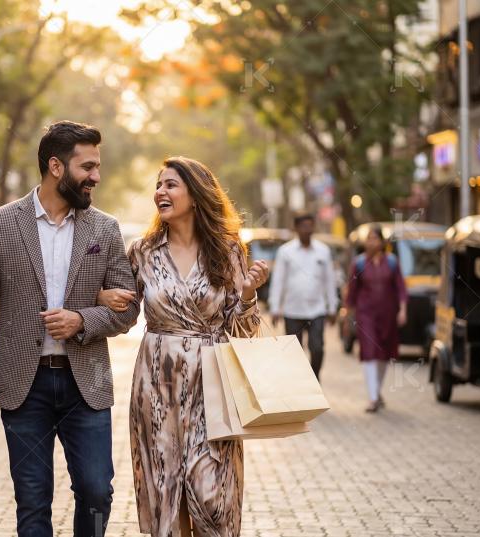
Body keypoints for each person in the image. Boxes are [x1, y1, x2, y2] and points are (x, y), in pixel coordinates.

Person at [0, 120, 139, 536]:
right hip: (24, 388)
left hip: (86, 386)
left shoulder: (105, 228)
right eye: (87, 166)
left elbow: (127, 309)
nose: (96, 176)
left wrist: (81, 319)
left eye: (97, 167)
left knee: (97, 491)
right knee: (33, 499)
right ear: (56, 166)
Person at [99, 157, 270, 536]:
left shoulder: (227, 251)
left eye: (171, 185)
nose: (161, 192)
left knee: (212, 496)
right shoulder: (143, 251)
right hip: (158, 386)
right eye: (159, 185)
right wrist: (102, 297)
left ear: (195, 195)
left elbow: (243, 332)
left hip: (213, 386)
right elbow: (124, 315)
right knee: (166, 493)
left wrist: (247, 295)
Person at [268, 213, 338, 380]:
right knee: (294, 353)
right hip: (293, 310)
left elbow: (329, 281)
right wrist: (275, 307)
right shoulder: (285, 252)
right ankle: (299, 385)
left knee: (317, 348)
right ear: (296, 228)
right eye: (303, 226)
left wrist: (333, 307)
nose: (307, 230)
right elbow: (278, 280)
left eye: (310, 226)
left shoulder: (323, 251)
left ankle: (315, 379)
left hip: (317, 310)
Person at [346, 225, 408, 413]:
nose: (371, 242)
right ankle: (373, 398)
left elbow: (401, 288)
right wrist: (347, 318)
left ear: (382, 242)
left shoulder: (392, 263)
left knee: (384, 355)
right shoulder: (358, 264)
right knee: (370, 352)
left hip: (388, 315)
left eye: (375, 238)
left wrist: (403, 310)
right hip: (366, 315)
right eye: (369, 238)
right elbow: (351, 293)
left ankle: (377, 391)